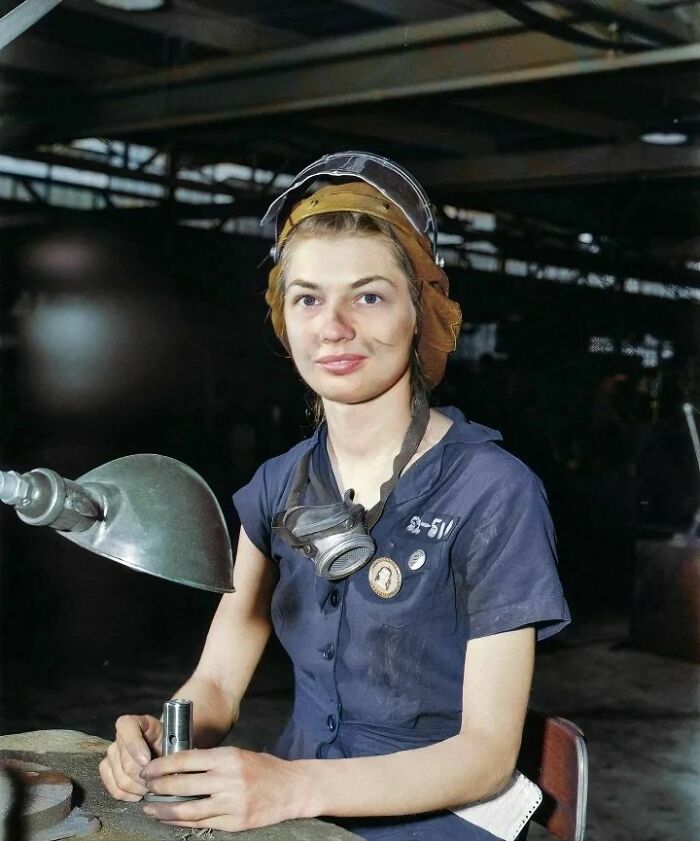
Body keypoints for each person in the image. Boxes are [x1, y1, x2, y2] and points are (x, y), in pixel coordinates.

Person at [99, 152, 570, 840]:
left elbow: (486, 756)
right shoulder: (276, 485)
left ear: (422, 311)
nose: (335, 326)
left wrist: (288, 785)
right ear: (284, 321)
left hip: (439, 819)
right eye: (308, 298)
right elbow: (220, 683)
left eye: (369, 295)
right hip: (297, 814)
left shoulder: (494, 492)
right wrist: (158, 731)